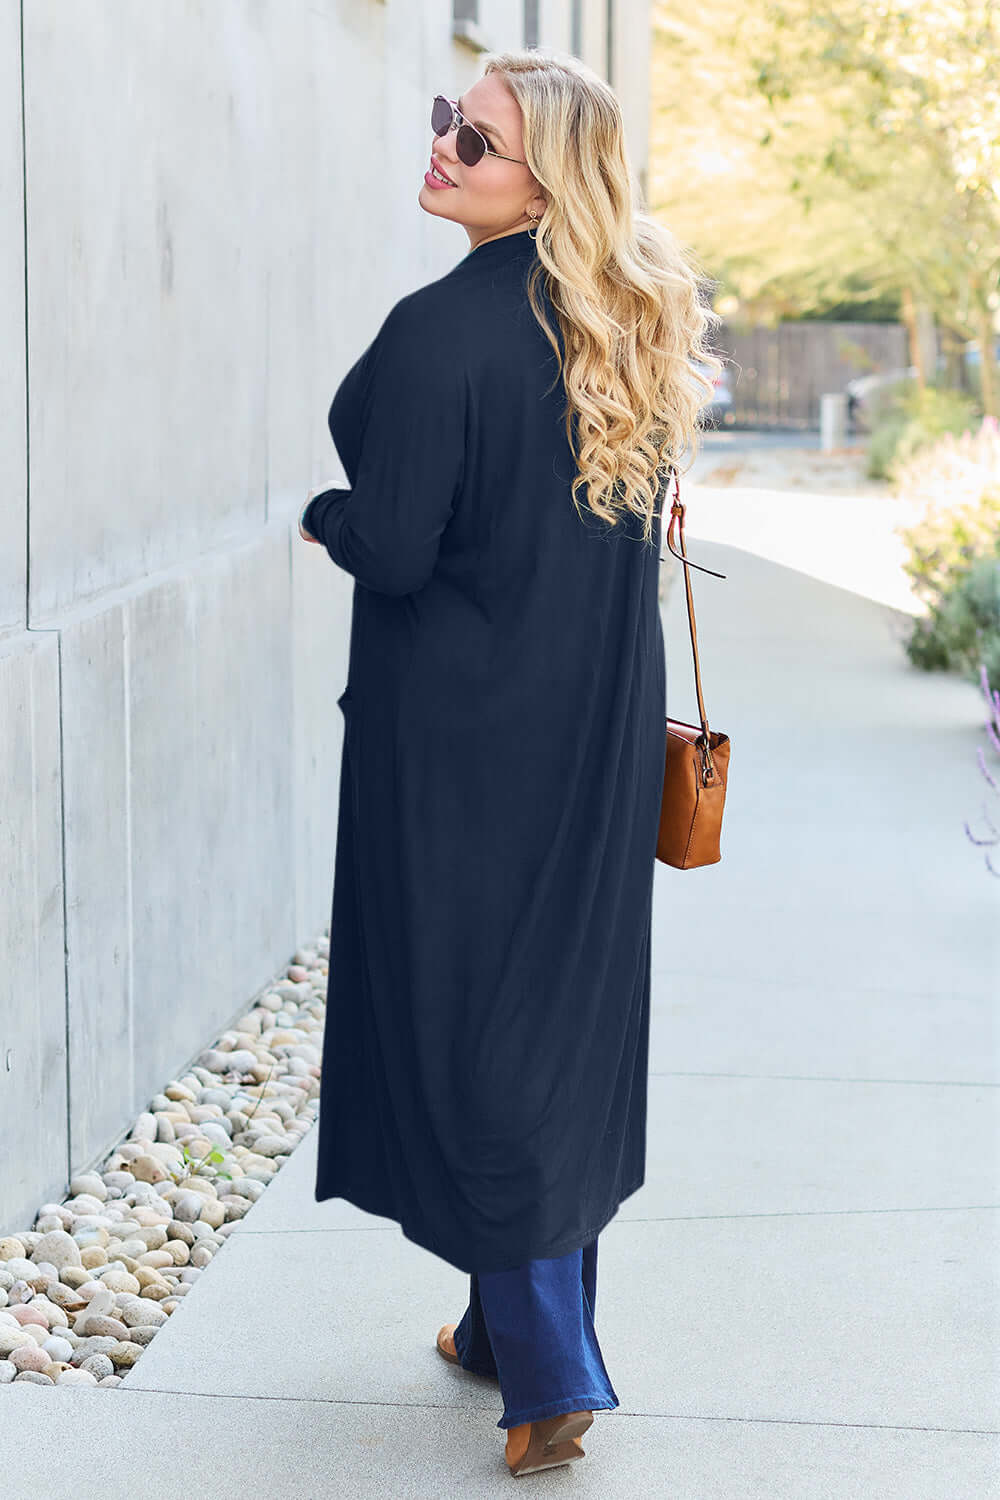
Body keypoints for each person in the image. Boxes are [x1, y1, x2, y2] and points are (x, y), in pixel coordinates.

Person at [298, 48, 720, 1479]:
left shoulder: (442, 331)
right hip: (592, 733)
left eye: (471, 141)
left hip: (464, 743)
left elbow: (401, 543)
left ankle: (548, 1371)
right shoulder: (628, 322)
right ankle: (499, 1327)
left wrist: (324, 518)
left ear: (546, 179)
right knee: (555, 1014)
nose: (441, 149)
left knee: (474, 1026)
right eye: (444, 123)